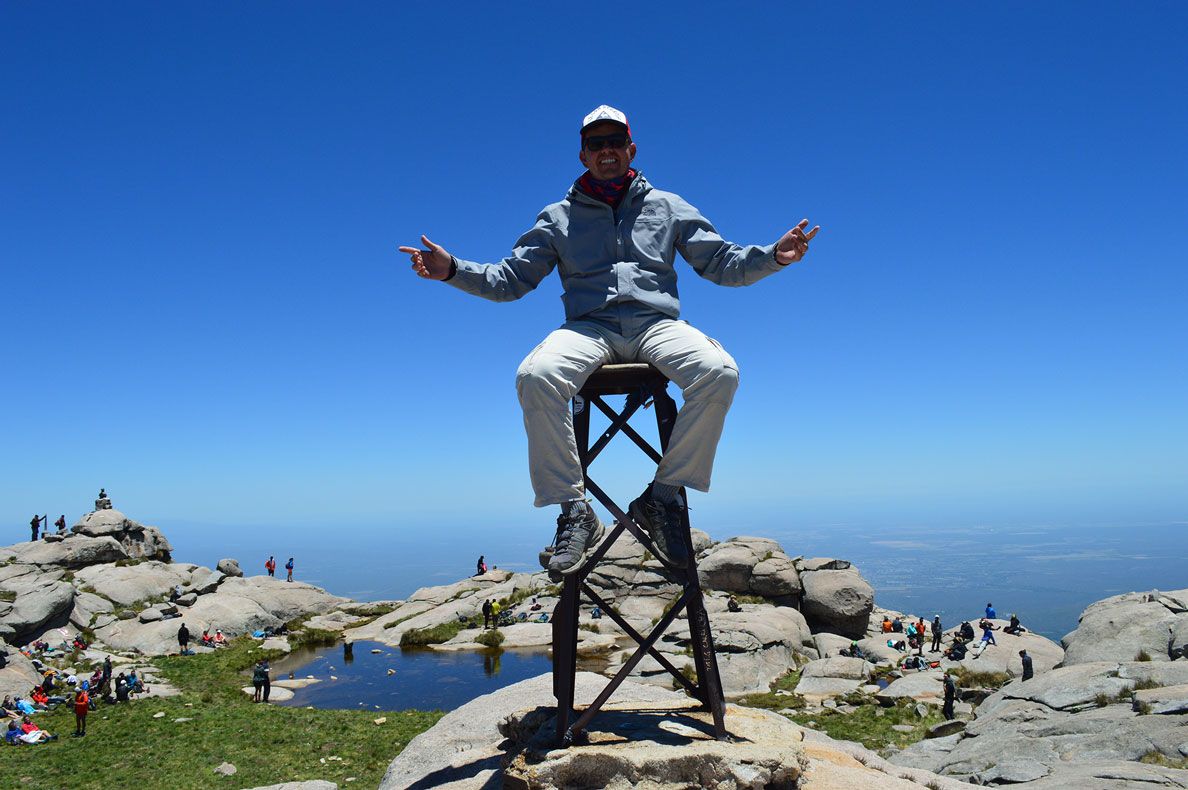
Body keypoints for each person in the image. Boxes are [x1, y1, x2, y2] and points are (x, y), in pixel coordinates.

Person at [400, 105, 819, 581]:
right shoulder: (556, 217)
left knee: (718, 372)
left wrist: (774, 257)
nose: (606, 151)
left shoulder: (668, 206)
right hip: (588, 328)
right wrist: (452, 269)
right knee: (535, 377)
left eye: (614, 142)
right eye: (595, 144)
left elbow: (722, 263)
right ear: (582, 154)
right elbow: (510, 280)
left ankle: (662, 497)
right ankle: (574, 512)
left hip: (654, 324)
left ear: (631, 149)